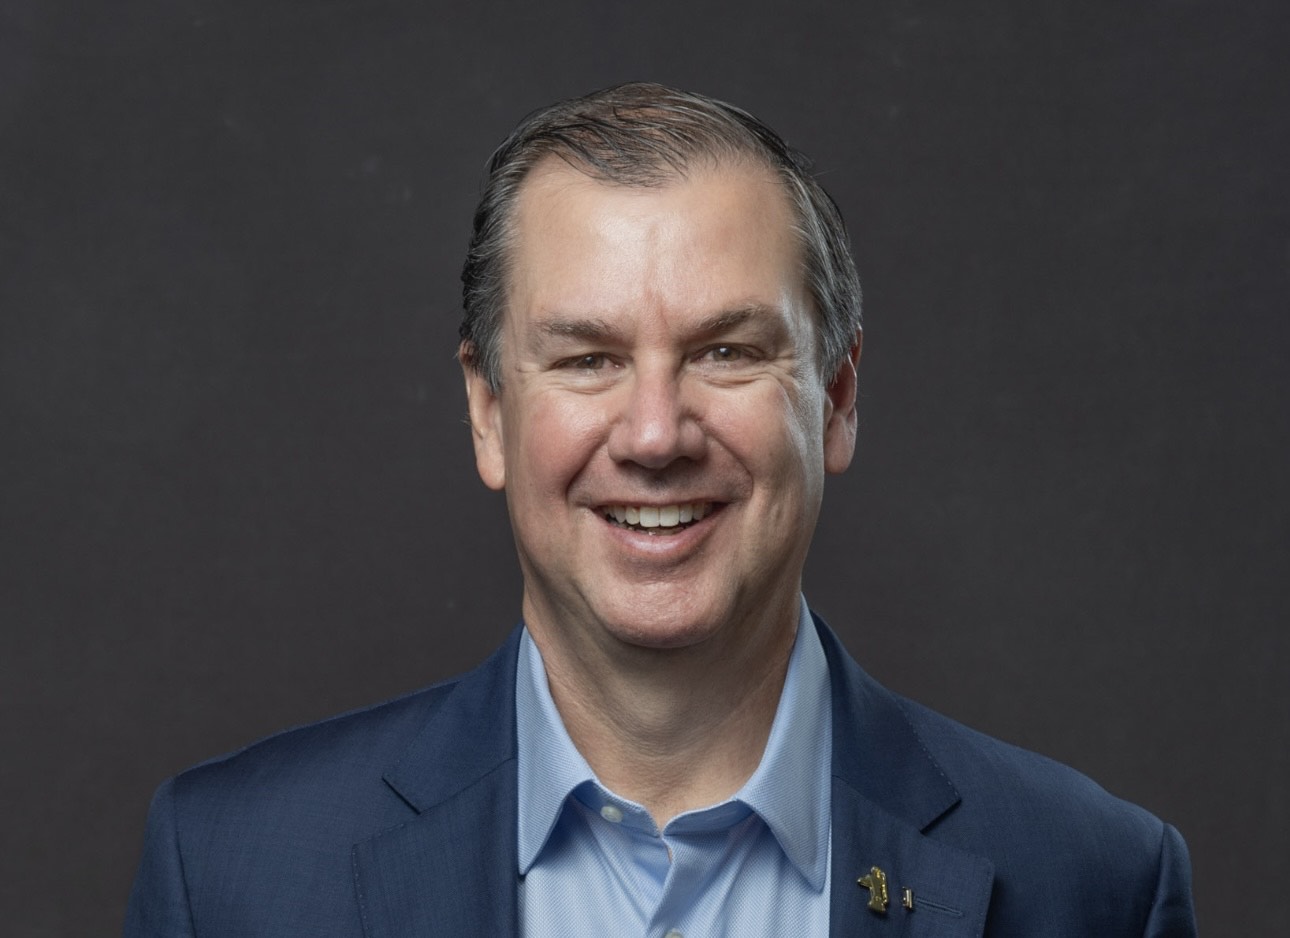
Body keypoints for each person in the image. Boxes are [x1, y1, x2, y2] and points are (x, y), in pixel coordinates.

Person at [124, 82, 1197, 937]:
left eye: (726, 351)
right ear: (490, 412)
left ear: (835, 397)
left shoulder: (1093, 883)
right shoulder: (232, 877)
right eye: (586, 358)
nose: (653, 433)